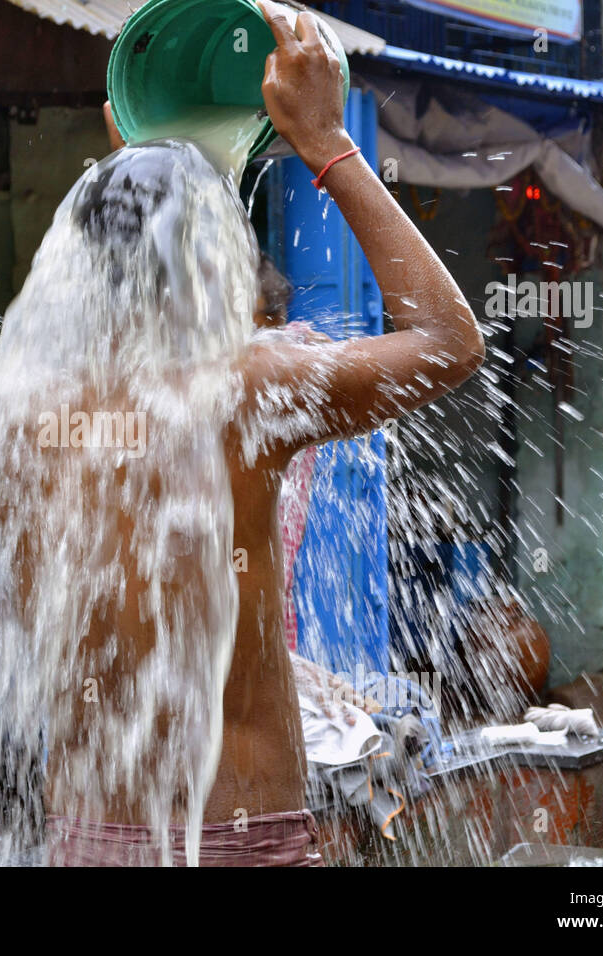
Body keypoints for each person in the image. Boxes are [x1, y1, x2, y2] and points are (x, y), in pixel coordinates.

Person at [45, 4, 482, 865]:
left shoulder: (32, 405)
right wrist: (329, 146)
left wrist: (139, 170)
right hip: (232, 837)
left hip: (85, 834)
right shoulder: (245, 386)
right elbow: (448, 342)